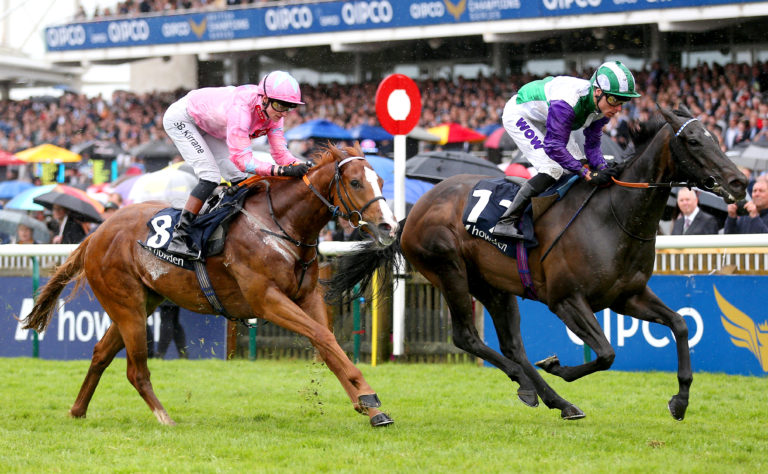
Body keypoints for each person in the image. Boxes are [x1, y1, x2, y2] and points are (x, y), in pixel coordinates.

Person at [162, 70, 310, 259]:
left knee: (240, 181)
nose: (283, 112)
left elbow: (282, 155)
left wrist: (305, 167)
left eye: (289, 107)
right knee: (210, 177)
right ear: (264, 98)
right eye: (280, 105)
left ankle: (222, 227)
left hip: (211, 127)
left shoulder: (275, 116)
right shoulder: (241, 108)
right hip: (184, 119)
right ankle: (179, 237)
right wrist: (281, 171)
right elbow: (243, 161)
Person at [493, 61, 641, 239]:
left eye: (623, 101)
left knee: (581, 163)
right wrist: (585, 173)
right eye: (614, 100)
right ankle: (506, 221)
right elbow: (554, 147)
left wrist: (602, 168)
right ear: (598, 92)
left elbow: (592, 144)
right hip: (520, 114)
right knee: (553, 169)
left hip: (549, 117)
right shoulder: (567, 103)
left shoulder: (603, 108)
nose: (618, 108)